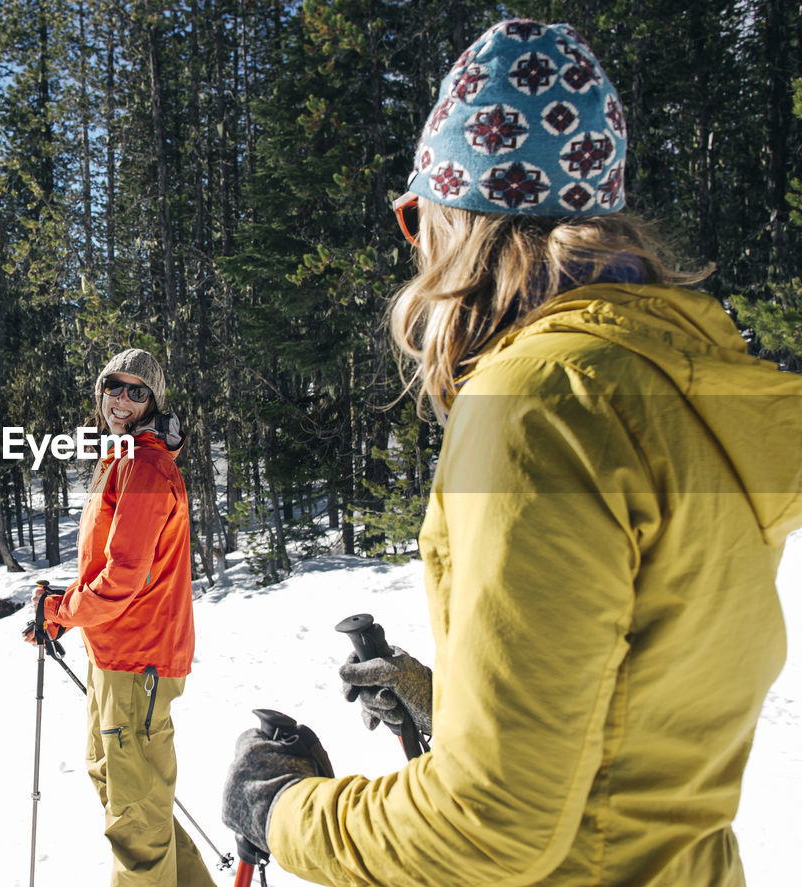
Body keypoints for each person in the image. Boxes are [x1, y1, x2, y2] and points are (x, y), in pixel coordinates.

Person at [222, 19, 802, 887]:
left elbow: (492, 828)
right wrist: (449, 696)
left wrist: (284, 808)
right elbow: (634, 727)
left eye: (414, 218)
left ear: (458, 217)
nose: (414, 249)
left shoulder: (536, 403)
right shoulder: (685, 391)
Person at [27, 348, 216, 887]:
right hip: (118, 656)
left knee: (135, 819)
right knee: (126, 790)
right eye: (115, 386)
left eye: (138, 391)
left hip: (139, 661)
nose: (123, 400)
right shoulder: (123, 458)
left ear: (153, 402)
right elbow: (111, 569)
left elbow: (126, 578)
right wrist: (63, 615)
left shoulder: (145, 465)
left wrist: (65, 610)